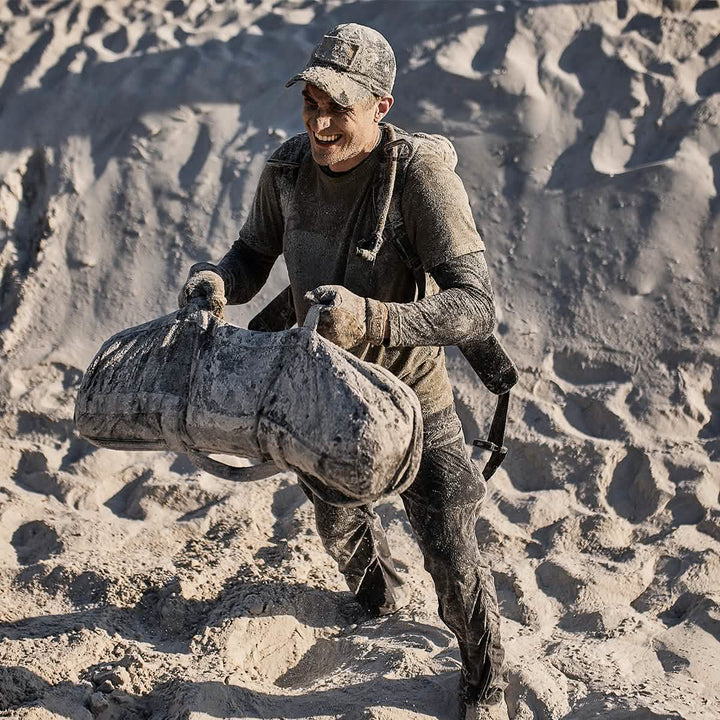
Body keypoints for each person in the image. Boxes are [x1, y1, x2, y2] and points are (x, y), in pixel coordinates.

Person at [179, 23, 508, 720]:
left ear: (381, 107)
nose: (321, 123)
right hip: (321, 395)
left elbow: (475, 308)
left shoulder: (417, 178)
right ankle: (379, 602)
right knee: (340, 530)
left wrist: (375, 320)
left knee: (451, 549)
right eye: (311, 103)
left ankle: (485, 680)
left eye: (340, 107)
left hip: (413, 400)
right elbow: (250, 255)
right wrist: (217, 281)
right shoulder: (287, 169)